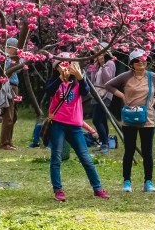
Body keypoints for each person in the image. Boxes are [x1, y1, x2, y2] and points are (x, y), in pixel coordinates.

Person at [104, 50, 155, 193]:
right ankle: (127, 181)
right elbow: (108, 85)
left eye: (143, 59)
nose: (141, 62)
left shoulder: (152, 77)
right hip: (129, 118)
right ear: (131, 64)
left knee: (147, 152)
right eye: (137, 61)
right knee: (129, 150)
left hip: (147, 118)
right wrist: (122, 96)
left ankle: (148, 182)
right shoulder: (125, 77)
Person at [44, 56, 108, 201]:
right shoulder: (54, 82)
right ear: (56, 67)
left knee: (86, 158)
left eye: (68, 64)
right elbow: (49, 91)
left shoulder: (78, 82)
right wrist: (61, 78)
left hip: (75, 126)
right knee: (56, 158)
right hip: (58, 124)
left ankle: (97, 188)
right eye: (62, 64)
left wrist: (79, 76)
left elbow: (86, 92)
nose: (66, 66)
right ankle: (58, 190)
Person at [86, 43, 116, 153]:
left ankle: (105, 143)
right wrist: (95, 66)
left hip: (105, 95)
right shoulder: (98, 65)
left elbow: (108, 79)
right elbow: (93, 80)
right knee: (102, 120)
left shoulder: (110, 63)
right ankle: (105, 143)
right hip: (96, 94)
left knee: (96, 119)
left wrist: (103, 65)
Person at [0, 38, 24, 151]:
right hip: (8, 86)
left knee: (14, 116)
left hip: (14, 86)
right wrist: (18, 60)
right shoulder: (4, 58)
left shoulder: (13, 58)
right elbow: (10, 70)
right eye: (15, 48)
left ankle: (9, 140)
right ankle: (4, 143)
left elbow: (19, 68)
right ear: (10, 47)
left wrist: (20, 59)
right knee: (8, 115)